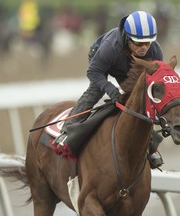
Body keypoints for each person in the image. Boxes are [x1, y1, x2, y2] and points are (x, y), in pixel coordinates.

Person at [53, 11, 164, 168]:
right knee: (95, 91)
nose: (144, 48)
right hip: (104, 61)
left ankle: (151, 146)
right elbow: (93, 72)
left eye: (148, 43)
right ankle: (66, 132)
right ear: (128, 38)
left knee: (141, 97)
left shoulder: (155, 51)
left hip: (130, 65)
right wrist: (111, 90)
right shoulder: (110, 47)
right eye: (139, 43)